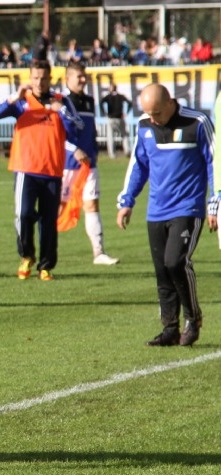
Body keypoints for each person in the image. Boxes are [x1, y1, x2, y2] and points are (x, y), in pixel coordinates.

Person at [116, 83, 216, 347]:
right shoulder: (145, 125)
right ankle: (170, 328)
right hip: (156, 210)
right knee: (162, 271)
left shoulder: (197, 122)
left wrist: (215, 201)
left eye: (157, 113)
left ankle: (193, 318)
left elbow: (214, 162)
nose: (153, 118)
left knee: (175, 262)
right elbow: (139, 164)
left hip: (188, 209)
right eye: (148, 113)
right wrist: (127, 201)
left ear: (171, 102)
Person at [0, 59, 82, 281]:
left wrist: (62, 112)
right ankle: (26, 255)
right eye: (36, 78)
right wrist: (13, 97)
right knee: (23, 214)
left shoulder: (61, 100)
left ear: (51, 79)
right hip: (25, 169)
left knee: (49, 220)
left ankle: (46, 266)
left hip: (52, 170)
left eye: (44, 78)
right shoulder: (22, 102)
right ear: (30, 78)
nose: (40, 82)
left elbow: (78, 127)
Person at [61, 62, 119, 265]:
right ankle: (42, 253)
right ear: (67, 79)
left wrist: (93, 150)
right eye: (79, 77)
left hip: (89, 165)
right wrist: (73, 150)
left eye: (84, 76)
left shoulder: (89, 101)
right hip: (66, 165)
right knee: (56, 209)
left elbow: (90, 129)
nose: (83, 80)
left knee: (92, 205)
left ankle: (99, 252)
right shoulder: (60, 102)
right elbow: (57, 136)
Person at [100, 84, 131, 158]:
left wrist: (105, 113)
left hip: (111, 118)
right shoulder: (120, 96)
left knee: (111, 137)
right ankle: (127, 150)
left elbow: (101, 103)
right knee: (124, 135)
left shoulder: (108, 97)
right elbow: (130, 103)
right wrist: (126, 113)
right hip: (120, 118)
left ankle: (112, 154)